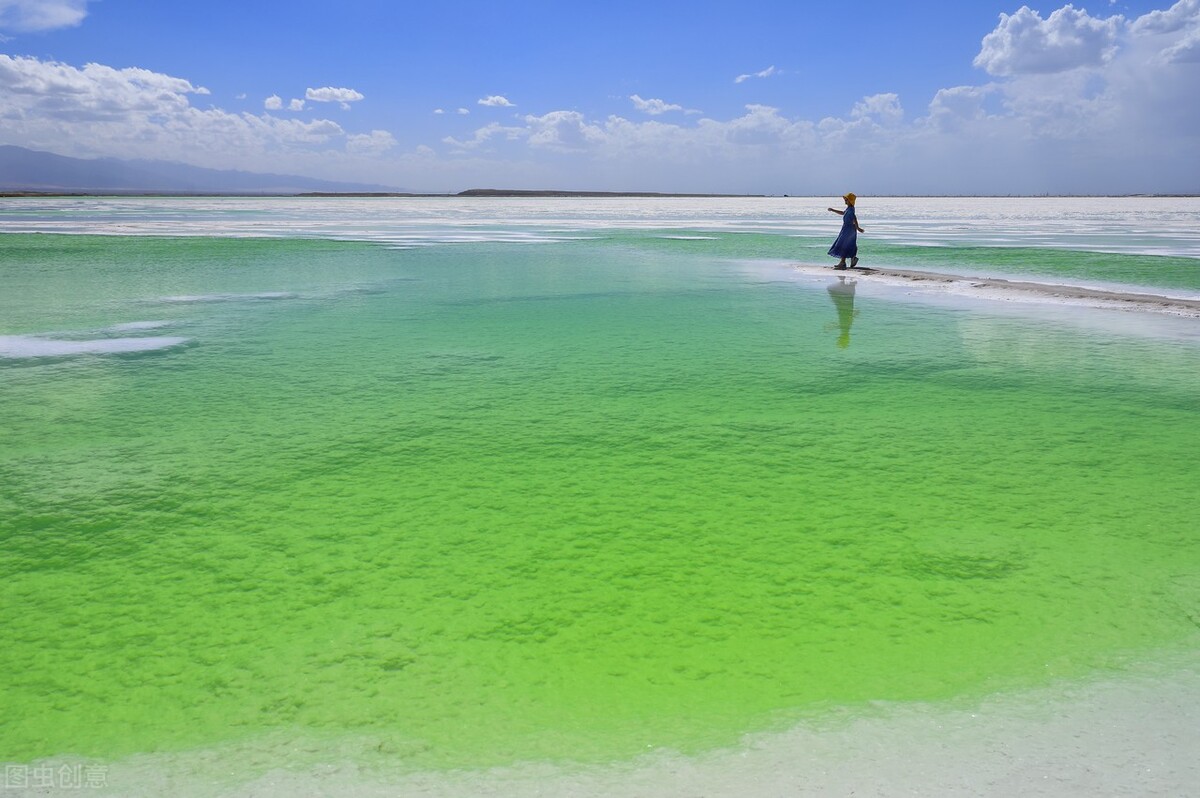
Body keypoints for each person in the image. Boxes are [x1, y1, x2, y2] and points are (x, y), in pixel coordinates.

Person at [827, 193, 865, 270]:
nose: (845, 201)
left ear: (850, 201)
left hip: (849, 229)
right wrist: (833, 210)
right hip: (846, 228)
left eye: (846, 199)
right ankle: (851, 259)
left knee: (843, 244)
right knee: (847, 244)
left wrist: (858, 228)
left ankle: (843, 262)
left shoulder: (851, 210)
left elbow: (854, 218)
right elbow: (843, 213)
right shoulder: (849, 209)